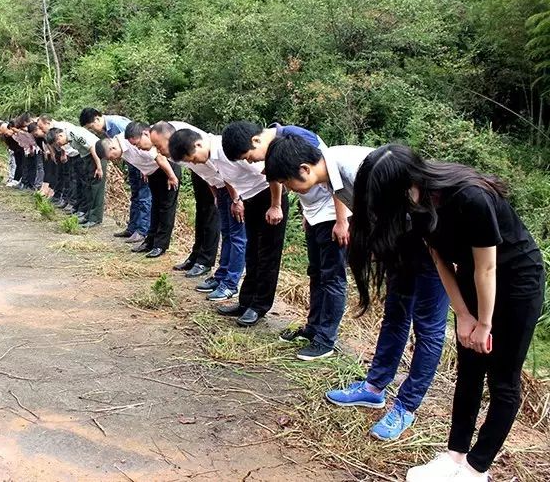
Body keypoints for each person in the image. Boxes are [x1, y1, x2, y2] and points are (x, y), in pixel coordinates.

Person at [345, 145, 544, 482]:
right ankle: (455, 456)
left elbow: (488, 267)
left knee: (502, 381)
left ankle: (476, 468)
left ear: (403, 185)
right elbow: (441, 261)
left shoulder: (469, 197)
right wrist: (464, 316)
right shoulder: (419, 206)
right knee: (468, 370)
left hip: (515, 283)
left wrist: (484, 324)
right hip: (472, 279)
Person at [266, 135, 451, 440]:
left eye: (286, 182)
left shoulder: (355, 169)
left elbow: (413, 210)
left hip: (431, 242)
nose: (287, 190)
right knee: (395, 314)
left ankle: (406, 406)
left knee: (428, 327)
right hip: (400, 243)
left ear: (303, 169)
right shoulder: (332, 177)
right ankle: (374, 387)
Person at [222, 122, 349, 361]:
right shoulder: (276, 145)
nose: (251, 162)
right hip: (315, 213)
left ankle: (326, 340)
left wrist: (341, 220)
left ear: (256, 141)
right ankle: (313, 329)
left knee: (332, 277)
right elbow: (298, 185)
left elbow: (334, 175)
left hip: (332, 213)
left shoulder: (299, 137)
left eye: (250, 157)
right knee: (316, 272)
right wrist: (306, 212)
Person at [170, 126, 286, 327]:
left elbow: (273, 171)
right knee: (251, 253)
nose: (194, 163)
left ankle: (259, 306)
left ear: (198, 144)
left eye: (192, 158)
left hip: (268, 198)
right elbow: (226, 178)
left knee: (267, 255)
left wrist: (276, 205)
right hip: (250, 198)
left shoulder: (229, 148)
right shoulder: (212, 156)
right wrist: (236, 198)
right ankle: (245, 302)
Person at [147, 121, 221, 278]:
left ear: (170, 139)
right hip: (198, 169)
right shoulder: (169, 143)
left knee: (210, 213)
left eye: (159, 146)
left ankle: (206, 261)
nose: (157, 150)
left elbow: (212, 165)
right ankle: (195, 256)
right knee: (201, 212)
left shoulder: (183, 140)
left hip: (209, 169)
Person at [96, 125, 181, 258]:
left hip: (166, 171)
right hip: (152, 172)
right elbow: (138, 159)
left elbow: (159, 157)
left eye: (111, 157)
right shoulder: (121, 143)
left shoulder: (133, 142)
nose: (113, 159)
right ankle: (150, 241)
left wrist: (171, 176)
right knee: (155, 207)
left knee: (166, 208)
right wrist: (144, 170)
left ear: (112, 148)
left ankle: (160, 245)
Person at [80, 108, 150, 244]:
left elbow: (139, 143)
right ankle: (132, 228)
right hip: (132, 164)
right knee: (135, 195)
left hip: (142, 164)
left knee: (144, 197)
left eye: (91, 127)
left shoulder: (118, 124)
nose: (94, 131)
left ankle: (142, 230)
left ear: (97, 119)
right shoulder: (106, 129)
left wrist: (144, 167)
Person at [46, 123, 103, 228]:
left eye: (58, 143)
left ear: (60, 136)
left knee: (95, 188)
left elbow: (92, 147)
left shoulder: (74, 133)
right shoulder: (70, 139)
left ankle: (95, 218)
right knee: (88, 187)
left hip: (96, 156)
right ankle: (88, 215)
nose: (60, 145)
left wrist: (99, 166)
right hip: (87, 158)